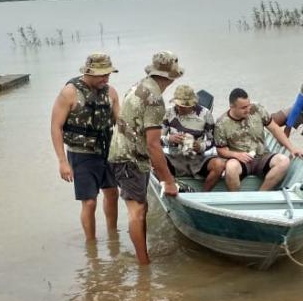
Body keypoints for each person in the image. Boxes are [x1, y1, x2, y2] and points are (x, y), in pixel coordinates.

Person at [108, 51, 183, 264]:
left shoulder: (137, 86)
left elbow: (132, 126)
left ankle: (142, 257)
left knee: (140, 207)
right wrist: (168, 181)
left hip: (123, 153)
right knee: (137, 210)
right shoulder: (155, 99)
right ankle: (144, 264)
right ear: (171, 77)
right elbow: (153, 143)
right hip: (129, 157)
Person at [50, 52, 120, 242]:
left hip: (107, 151)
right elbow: (55, 127)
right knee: (89, 202)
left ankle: (113, 237)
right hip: (81, 154)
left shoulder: (111, 92)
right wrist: (62, 162)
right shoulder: (70, 92)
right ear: (89, 72)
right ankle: (92, 244)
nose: (106, 79)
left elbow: (121, 125)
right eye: (102, 75)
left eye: (108, 74)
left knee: (113, 193)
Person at [213, 88, 303, 192]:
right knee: (230, 167)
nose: (248, 109)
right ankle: (236, 199)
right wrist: (237, 155)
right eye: (243, 108)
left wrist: (292, 148)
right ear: (232, 107)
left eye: (248, 105)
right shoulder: (221, 124)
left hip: (262, 156)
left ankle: (261, 194)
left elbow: (274, 128)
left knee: (284, 161)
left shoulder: (257, 109)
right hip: (241, 160)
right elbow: (221, 151)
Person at [161, 84, 226, 190]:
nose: (179, 107)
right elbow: (157, 139)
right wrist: (169, 139)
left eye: (183, 106)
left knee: (219, 165)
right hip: (174, 158)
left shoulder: (205, 114)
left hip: (197, 159)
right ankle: (174, 186)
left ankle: (203, 195)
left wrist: (200, 146)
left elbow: (212, 141)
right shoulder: (169, 113)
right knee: (154, 158)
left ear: (192, 104)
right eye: (177, 105)